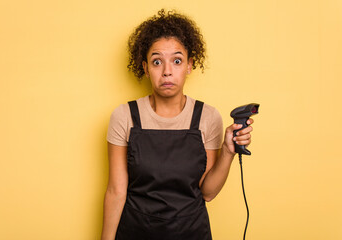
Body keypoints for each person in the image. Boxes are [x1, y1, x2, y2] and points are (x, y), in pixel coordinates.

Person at [101, 9, 254, 240]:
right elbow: (116, 191)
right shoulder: (124, 116)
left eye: (177, 60)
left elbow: (208, 193)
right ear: (145, 68)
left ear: (190, 65)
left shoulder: (208, 117)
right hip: (135, 232)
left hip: (191, 233)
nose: (167, 71)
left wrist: (228, 152)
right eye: (156, 62)